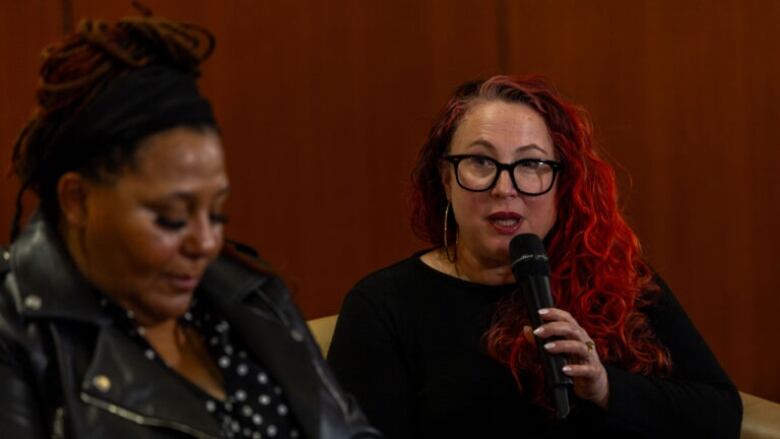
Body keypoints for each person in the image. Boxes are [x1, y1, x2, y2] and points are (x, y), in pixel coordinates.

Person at [0, 12, 379, 439]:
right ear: (78, 200)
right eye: (172, 219)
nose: (207, 242)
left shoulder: (247, 292)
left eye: (216, 213)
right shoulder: (16, 331)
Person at [327, 76, 742, 438]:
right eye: (480, 161)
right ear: (445, 177)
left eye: (530, 164)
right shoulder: (383, 306)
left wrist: (604, 388)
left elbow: (721, 414)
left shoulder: (616, 277)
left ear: (563, 184)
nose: (505, 188)